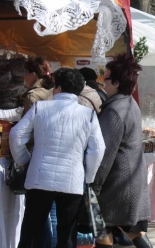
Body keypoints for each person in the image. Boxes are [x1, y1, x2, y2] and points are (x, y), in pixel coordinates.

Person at [11, 67, 106, 248]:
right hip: (72, 180)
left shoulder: (40, 107)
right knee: (67, 234)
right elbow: (98, 149)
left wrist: (24, 160)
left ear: (59, 88)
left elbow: (16, 135)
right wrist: (88, 176)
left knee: (31, 231)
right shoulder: (88, 114)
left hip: (39, 177)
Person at [92, 54, 153, 248]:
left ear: (116, 83)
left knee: (102, 229)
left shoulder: (114, 110)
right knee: (131, 231)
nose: (103, 83)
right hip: (129, 179)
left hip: (117, 183)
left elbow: (104, 152)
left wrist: (95, 184)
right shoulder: (128, 103)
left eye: (106, 79)